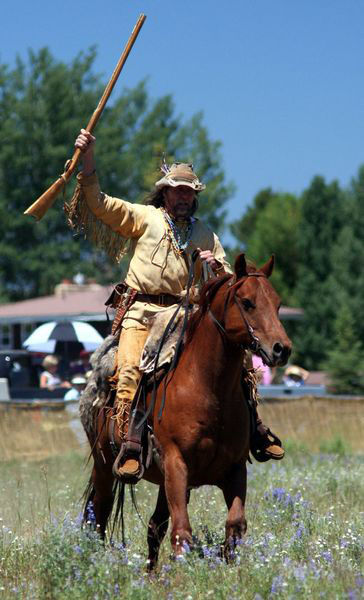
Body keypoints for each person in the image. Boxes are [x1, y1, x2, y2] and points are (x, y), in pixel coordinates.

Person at [70, 128, 284, 478]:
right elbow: (100, 204)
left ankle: (256, 429)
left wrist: (215, 267)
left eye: (189, 192)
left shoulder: (205, 234)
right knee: (128, 371)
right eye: (177, 191)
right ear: (165, 193)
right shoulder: (145, 218)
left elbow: (232, 280)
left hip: (185, 314)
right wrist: (88, 157)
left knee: (241, 364)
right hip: (141, 312)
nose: (184, 197)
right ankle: (130, 446)